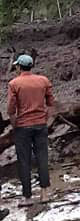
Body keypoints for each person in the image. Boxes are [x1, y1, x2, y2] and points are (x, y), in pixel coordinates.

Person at [7, 54, 54, 206]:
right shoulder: (43, 80)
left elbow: (10, 109)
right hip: (40, 124)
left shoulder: (14, 83)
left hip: (23, 126)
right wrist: (45, 118)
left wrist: (15, 125)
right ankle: (45, 193)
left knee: (24, 161)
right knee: (42, 158)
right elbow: (51, 103)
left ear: (19, 67)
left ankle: (27, 197)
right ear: (31, 66)